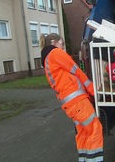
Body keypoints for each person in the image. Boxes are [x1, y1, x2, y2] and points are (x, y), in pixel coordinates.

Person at [40, 33, 103, 162]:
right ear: (54, 42)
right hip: (77, 102)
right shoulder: (55, 53)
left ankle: (85, 159)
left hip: (71, 104)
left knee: (83, 132)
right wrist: (91, 89)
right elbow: (76, 70)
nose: (63, 48)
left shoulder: (47, 59)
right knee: (94, 129)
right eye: (62, 44)